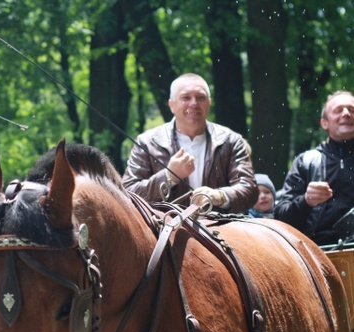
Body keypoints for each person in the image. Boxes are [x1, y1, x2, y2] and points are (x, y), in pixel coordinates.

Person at [122, 73, 257, 213]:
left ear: (209, 103)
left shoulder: (231, 140)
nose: (194, 103)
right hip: (162, 230)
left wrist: (220, 196)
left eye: (200, 98)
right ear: (171, 105)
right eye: (185, 98)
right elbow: (128, 193)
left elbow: (249, 190)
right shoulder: (147, 143)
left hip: (221, 230)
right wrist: (169, 176)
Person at [274, 91, 354, 245]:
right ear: (324, 123)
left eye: (352, 110)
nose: (346, 114)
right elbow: (280, 217)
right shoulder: (306, 161)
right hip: (318, 257)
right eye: (338, 110)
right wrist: (306, 201)